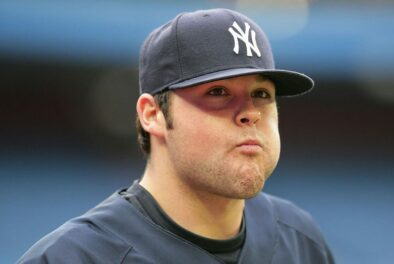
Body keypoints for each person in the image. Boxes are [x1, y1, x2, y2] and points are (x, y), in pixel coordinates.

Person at [19, 8, 334, 264]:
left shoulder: (300, 240)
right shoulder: (73, 257)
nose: (250, 112)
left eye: (262, 93)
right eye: (218, 91)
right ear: (152, 114)